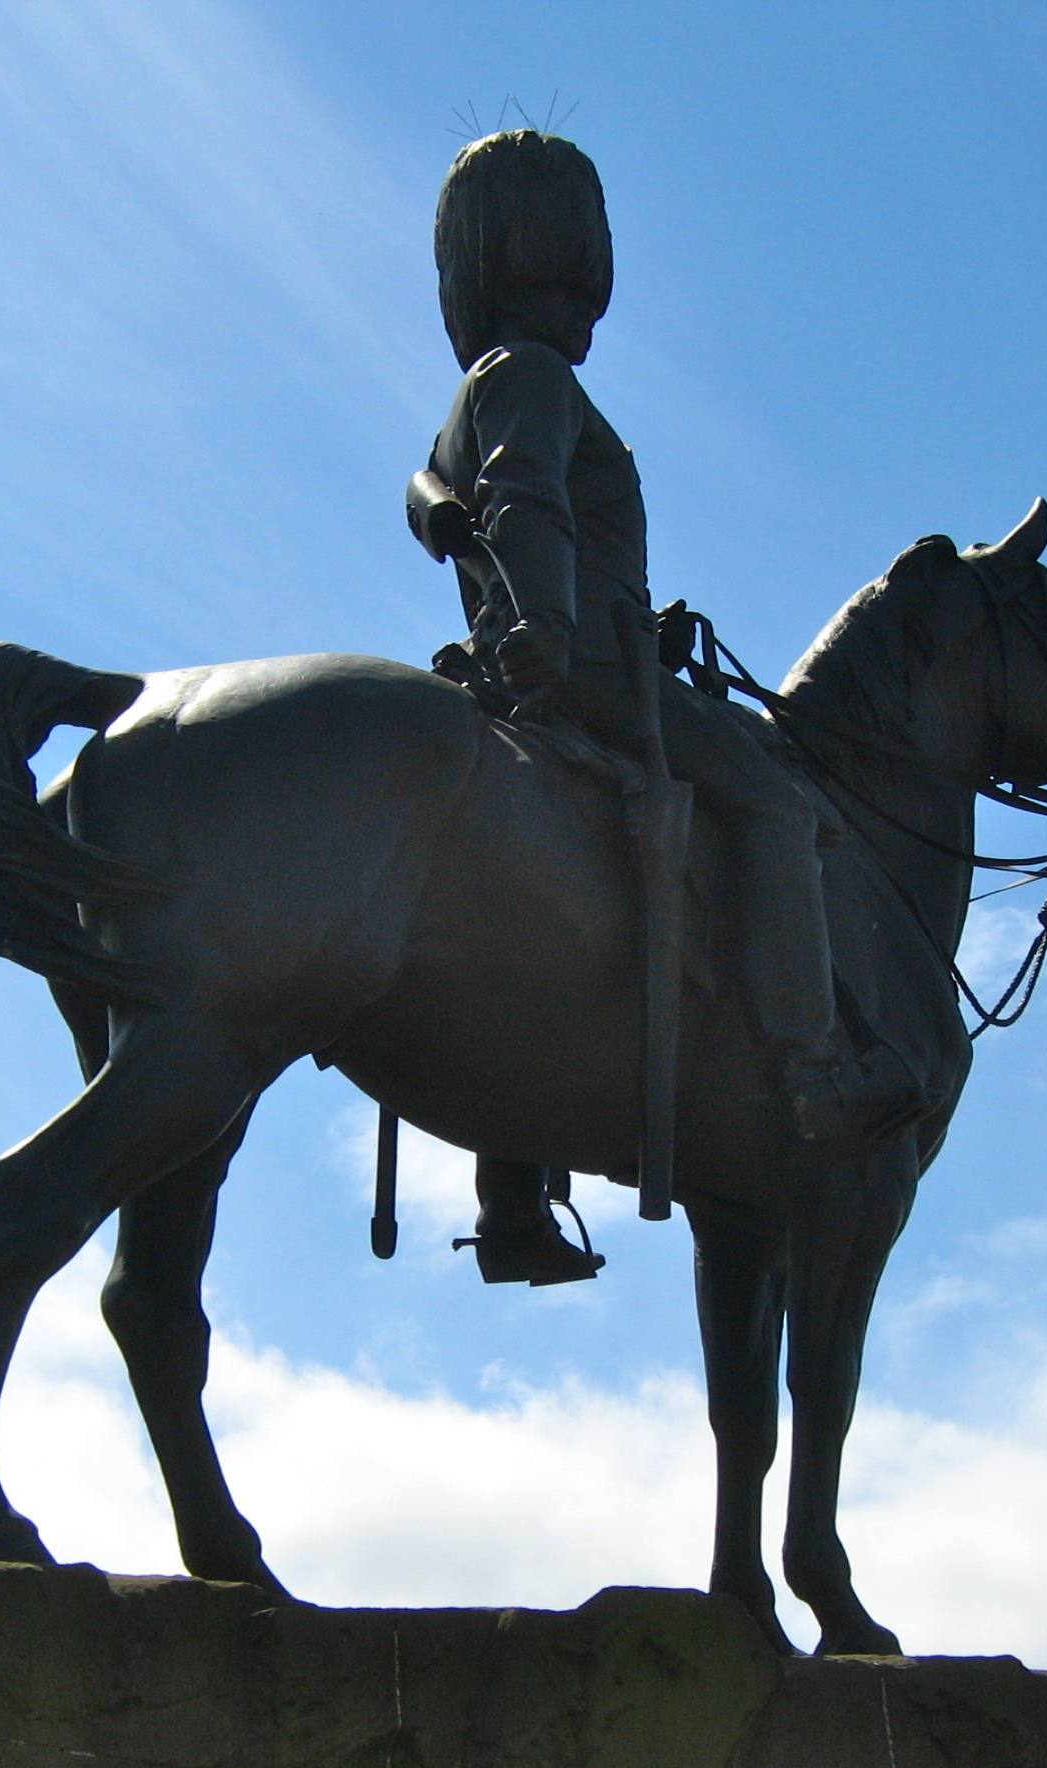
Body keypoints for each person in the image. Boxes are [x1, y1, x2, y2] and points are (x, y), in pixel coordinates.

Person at [418, 129, 923, 1287]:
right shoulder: (536, 378)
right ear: (532, 264)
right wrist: (553, 629)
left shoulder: (469, 396)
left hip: (521, 668)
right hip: (585, 671)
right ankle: (814, 1073)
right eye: (572, 282)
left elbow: (460, 501)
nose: (588, 312)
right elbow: (526, 500)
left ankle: (511, 1203)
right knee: (778, 802)